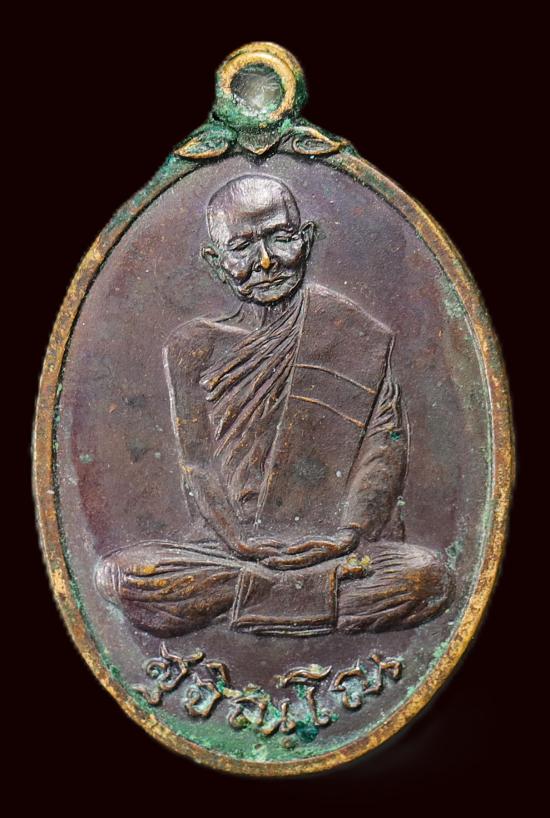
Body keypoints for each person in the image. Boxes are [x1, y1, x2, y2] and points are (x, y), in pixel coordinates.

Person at [95, 174, 453, 637]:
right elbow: (197, 464)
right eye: (242, 247)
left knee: (428, 577)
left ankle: (248, 600)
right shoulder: (194, 345)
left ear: (306, 241)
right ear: (216, 262)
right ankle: (306, 598)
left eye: (281, 238)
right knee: (121, 576)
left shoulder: (352, 334)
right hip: (229, 550)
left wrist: (344, 537)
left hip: (335, 550)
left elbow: (383, 451)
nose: (265, 261)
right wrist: (241, 543)